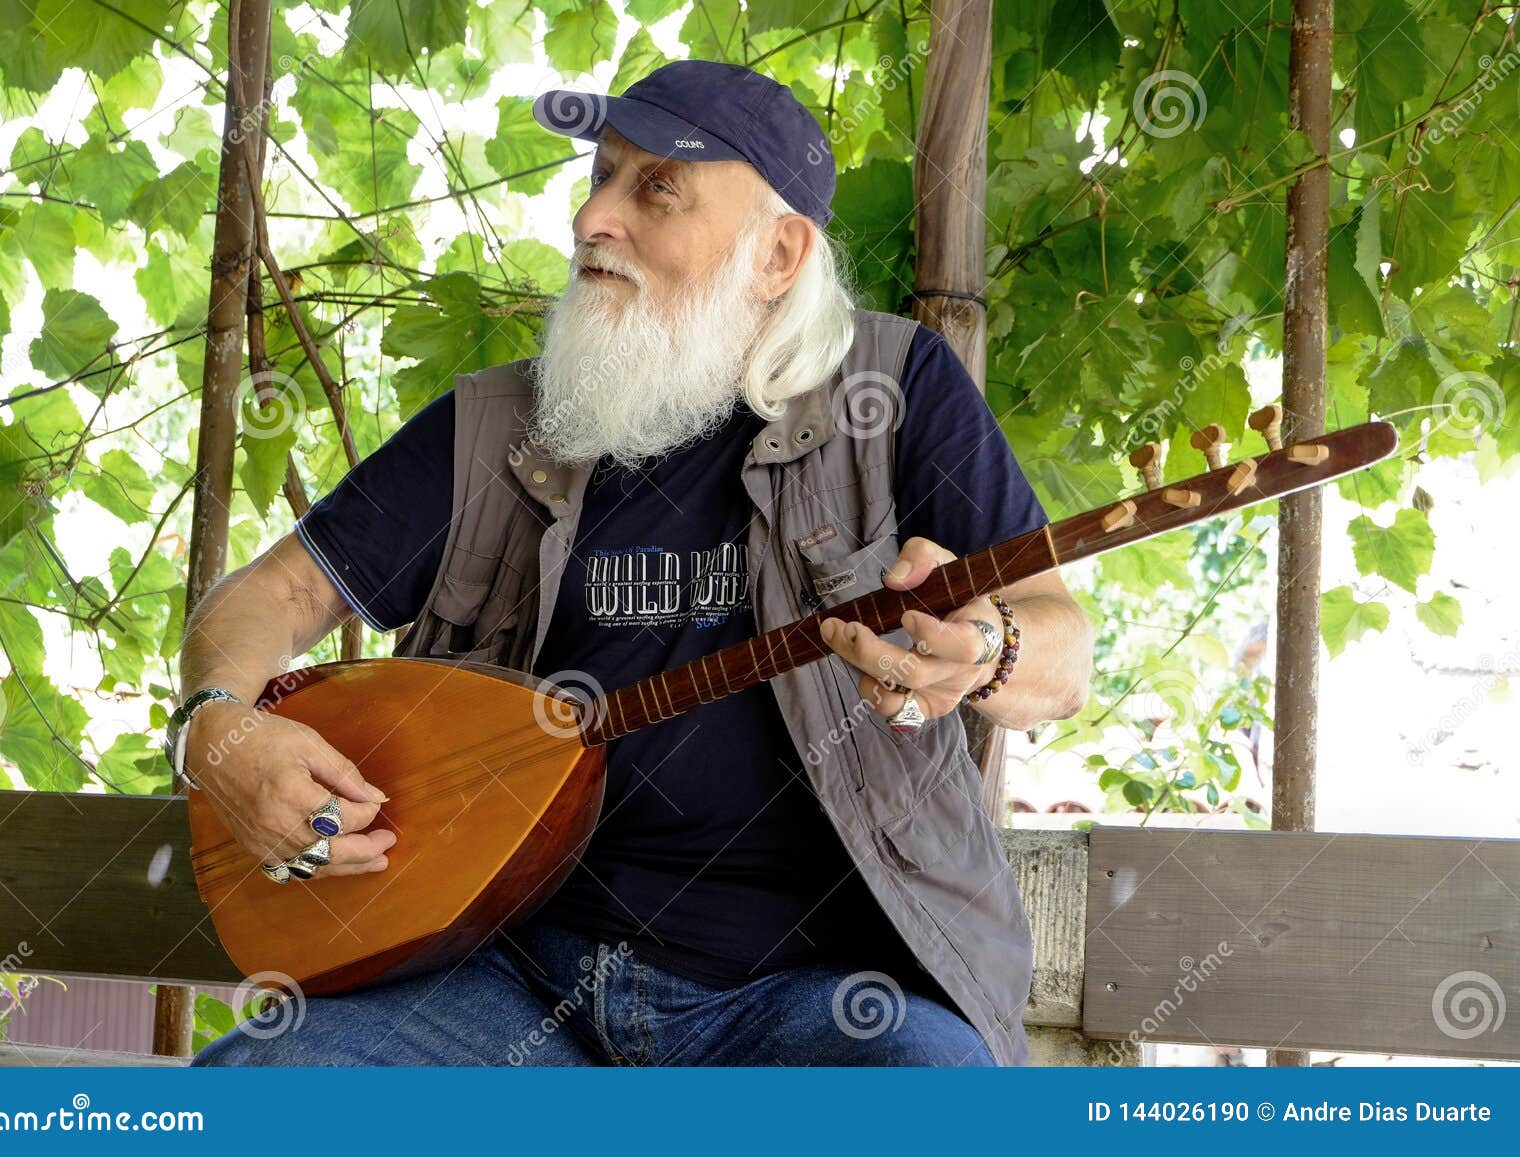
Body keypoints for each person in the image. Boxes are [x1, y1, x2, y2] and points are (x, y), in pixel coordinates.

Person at [180, 59, 1092, 1068]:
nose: (591, 219)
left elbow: (1059, 651)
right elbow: (275, 593)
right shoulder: (498, 426)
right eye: (601, 176)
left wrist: (988, 649)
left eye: (656, 187)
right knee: (265, 1083)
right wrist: (219, 728)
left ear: (778, 252)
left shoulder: (899, 388)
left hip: (818, 1001)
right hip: (507, 981)